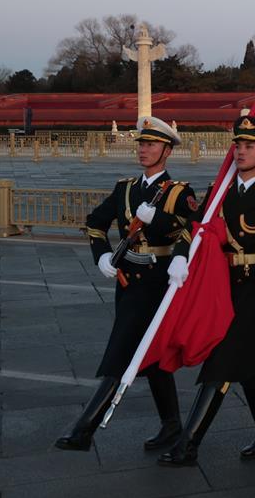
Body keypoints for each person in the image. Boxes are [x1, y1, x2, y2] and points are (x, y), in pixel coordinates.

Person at [157, 116, 255, 466]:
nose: (241, 151)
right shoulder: (219, 191)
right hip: (218, 283)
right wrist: (178, 257)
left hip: (253, 283)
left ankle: (189, 442)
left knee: (223, 356)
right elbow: (195, 229)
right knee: (246, 361)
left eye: (249, 146)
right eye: (238, 145)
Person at [56, 117, 196, 452]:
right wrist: (102, 255)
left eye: (151, 144)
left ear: (167, 150)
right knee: (150, 354)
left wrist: (159, 223)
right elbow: (95, 223)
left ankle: (84, 429)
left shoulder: (179, 192)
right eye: (141, 144)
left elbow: (193, 229)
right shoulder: (126, 188)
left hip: (159, 283)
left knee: (122, 351)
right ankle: (172, 425)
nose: (144, 150)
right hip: (128, 281)